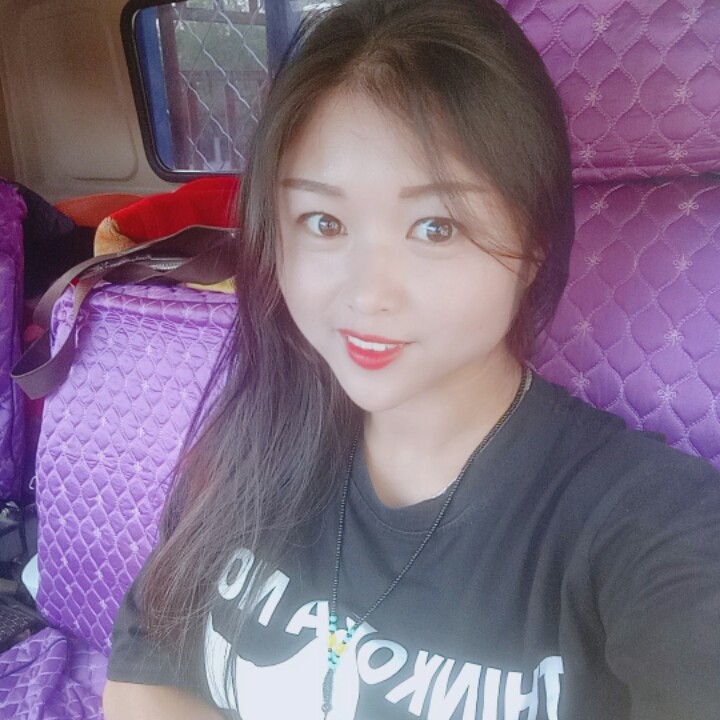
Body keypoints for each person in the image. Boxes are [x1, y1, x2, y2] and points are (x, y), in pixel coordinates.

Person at [103, 0, 720, 718]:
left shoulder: (648, 524)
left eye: (435, 227)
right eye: (324, 222)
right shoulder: (256, 440)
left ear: (534, 247)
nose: (367, 294)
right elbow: (144, 671)